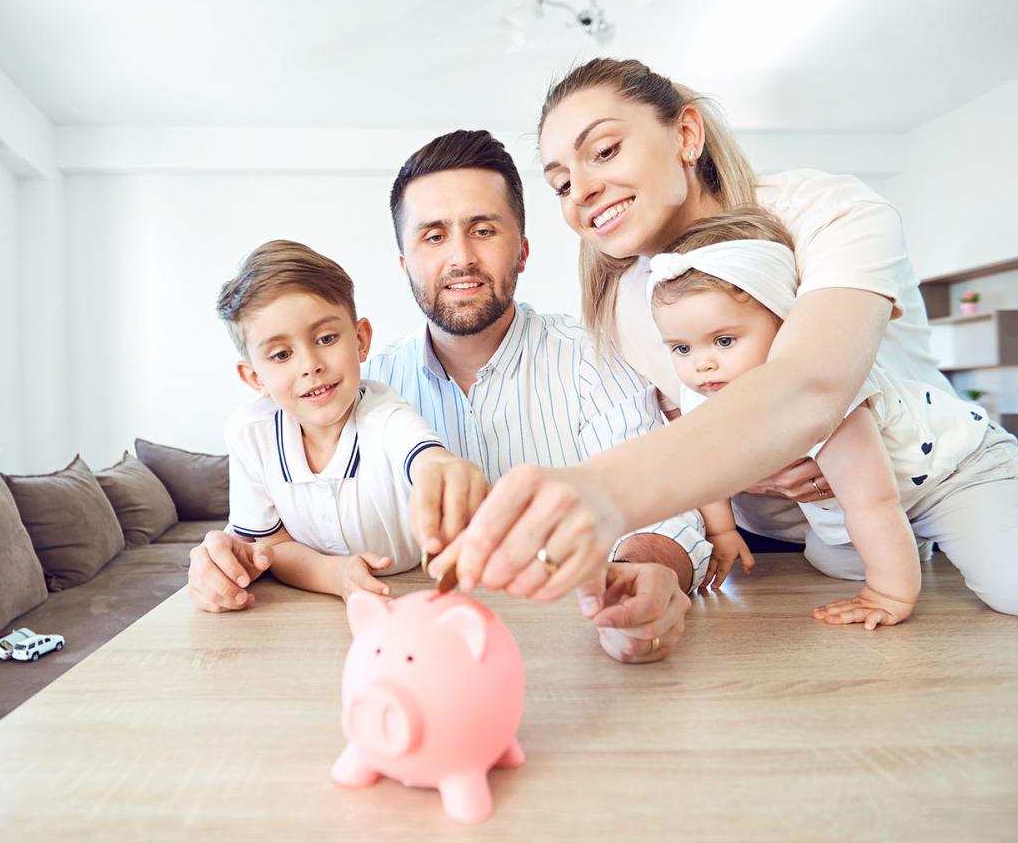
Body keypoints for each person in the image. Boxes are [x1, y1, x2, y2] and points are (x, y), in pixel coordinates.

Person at [431, 57, 1018, 619]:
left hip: (924, 480)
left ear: (686, 134)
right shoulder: (623, 303)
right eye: (560, 182)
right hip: (806, 539)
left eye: (604, 152)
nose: (582, 190)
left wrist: (605, 492)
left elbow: (812, 387)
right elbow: (685, 435)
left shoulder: (830, 213)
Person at [191, 130, 708, 663]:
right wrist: (224, 559)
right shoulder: (349, 390)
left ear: (523, 250)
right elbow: (279, 537)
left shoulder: (596, 360)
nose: (461, 257)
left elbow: (665, 513)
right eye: (433, 236)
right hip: (406, 667)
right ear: (404, 263)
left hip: (572, 659)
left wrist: (647, 573)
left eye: (483, 230)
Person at [651, 208, 1018, 625]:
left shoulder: (827, 390)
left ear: (789, 324)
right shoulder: (707, 391)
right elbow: (705, 467)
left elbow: (872, 502)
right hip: (886, 496)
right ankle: (922, 544)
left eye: (723, 340)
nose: (702, 364)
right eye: (680, 347)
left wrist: (890, 595)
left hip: (959, 472)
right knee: (834, 561)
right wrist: (720, 531)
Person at [189, 239, 488, 609]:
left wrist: (447, 470)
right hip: (315, 609)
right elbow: (272, 545)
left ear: (361, 340)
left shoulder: (384, 416)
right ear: (254, 378)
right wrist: (337, 575)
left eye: (326, 338)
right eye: (281, 354)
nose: (310, 364)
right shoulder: (251, 433)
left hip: (414, 596)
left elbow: (427, 459)